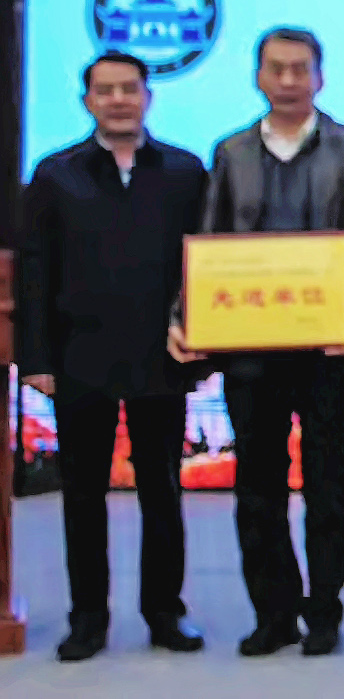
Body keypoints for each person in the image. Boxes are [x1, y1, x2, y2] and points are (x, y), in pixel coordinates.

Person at [175, 26, 344, 657]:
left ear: (320, 78)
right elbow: (208, 244)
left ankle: (324, 615)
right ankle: (273, 614)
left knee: (326, 488)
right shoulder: (230, 153)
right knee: (257, 488)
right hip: (251, 352)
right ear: (258, 77)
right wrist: (190, 320)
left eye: (301, 69)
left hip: (325, 353)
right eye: (277, 69)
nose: (289, 81)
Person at [15, 53, 209, 661]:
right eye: (106, 91)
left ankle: (165, 614)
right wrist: (35, 358)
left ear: (148, 96)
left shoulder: (184, 171)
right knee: (82, 494)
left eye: (130, 88)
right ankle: (88, 620)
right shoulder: (55, 175)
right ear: (88, 101)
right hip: (80, 356)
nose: (119, 99)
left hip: (162, 356)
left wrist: (201, 346)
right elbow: (34, 274)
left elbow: (203, 266)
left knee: (162, 490)